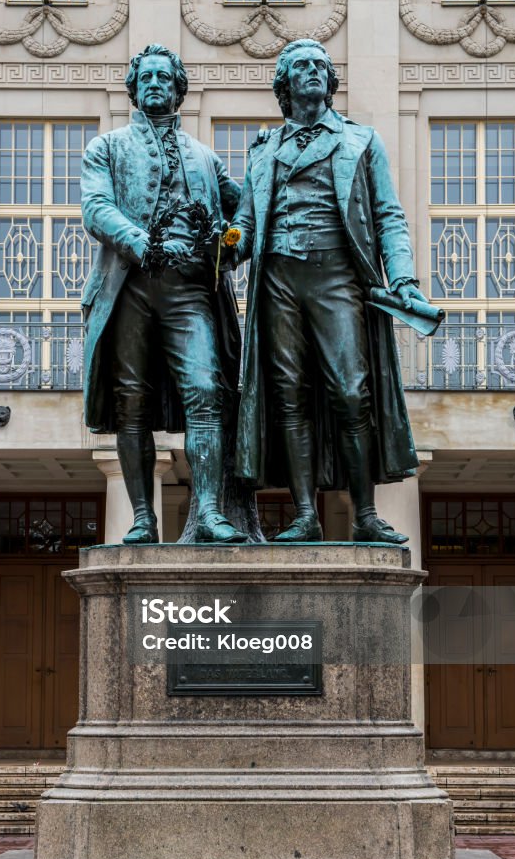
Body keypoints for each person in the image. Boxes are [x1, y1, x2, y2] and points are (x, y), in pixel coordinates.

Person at [232, 38, 421, 543]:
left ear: (330, 83)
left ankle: (364, 516)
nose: (314, 71)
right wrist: (226, 242)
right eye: (301, 66)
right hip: (278, 280)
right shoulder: (263, 150)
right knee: (289, 396)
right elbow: (246, 226)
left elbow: (389, 217)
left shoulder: (362, 141)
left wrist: (402, 278)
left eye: (321, 65)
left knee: (351, 392)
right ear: (284, 85)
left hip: (337, 275)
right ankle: (304, 515)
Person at [81, 43, 247, 544]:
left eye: (164, 78)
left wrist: (231, 245)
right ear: (134, 89)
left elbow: (244, 214)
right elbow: (95, 207)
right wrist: (138, 241)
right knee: (132, 403)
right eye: (146, 77)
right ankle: (142, 518)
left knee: (205, 391)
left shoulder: (205, 157)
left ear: (178, 90)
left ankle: (210, 514)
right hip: (129, 286)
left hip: (189, 290)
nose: (155, 84)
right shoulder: (106, 148)